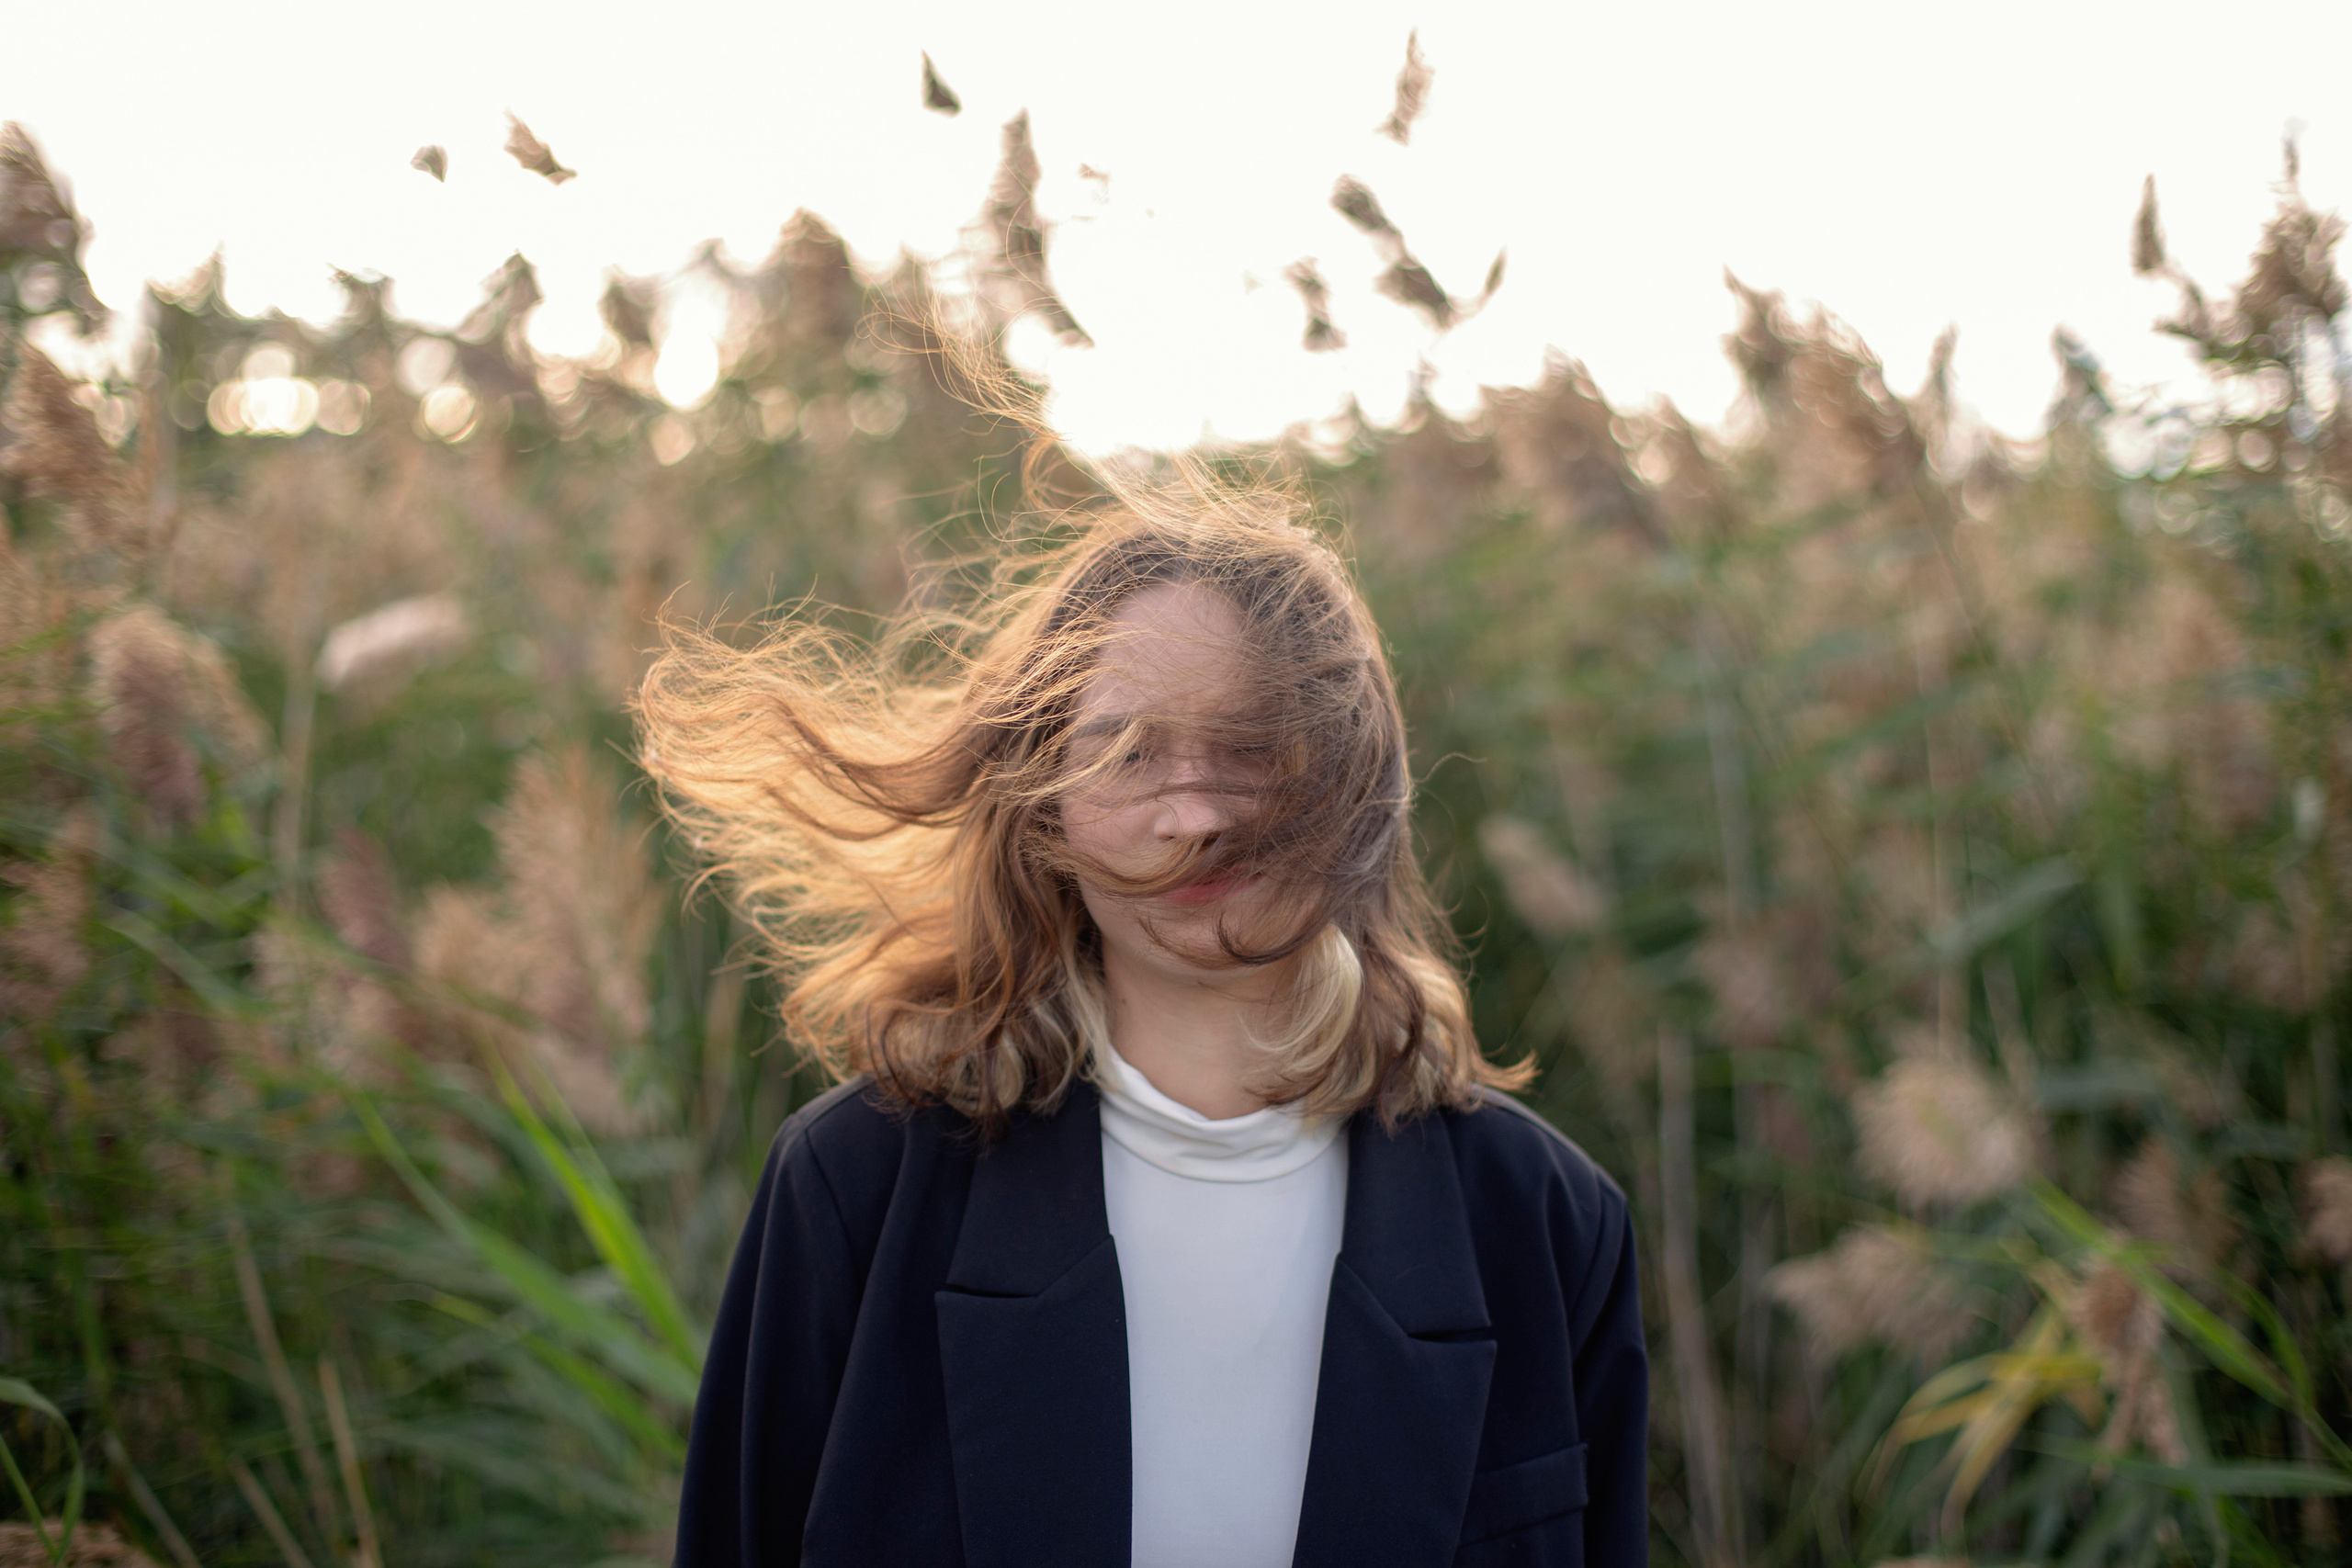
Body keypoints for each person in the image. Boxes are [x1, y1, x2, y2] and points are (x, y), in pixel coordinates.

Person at [639, 450, 1647, 1568]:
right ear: (1045, 811)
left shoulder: (1547, 1220)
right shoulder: (856, 1188)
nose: (1193, 815)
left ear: (1354, 777)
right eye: (1124, 751)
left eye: (1254, 747)